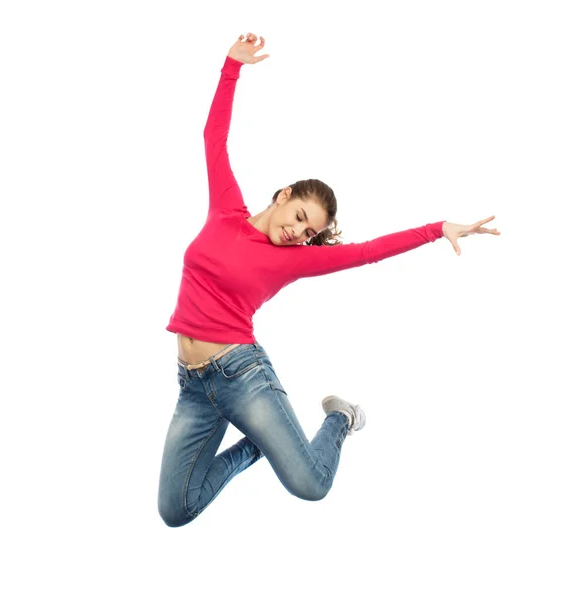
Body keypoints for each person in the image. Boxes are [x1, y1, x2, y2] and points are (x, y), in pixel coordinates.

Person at [157, 33, 500, 527]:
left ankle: (342, 418)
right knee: (176, 509)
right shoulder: (225, 210)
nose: (297, 231)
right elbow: (214, 138)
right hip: (191, 385)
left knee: (311, 484)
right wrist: (231, 67)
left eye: (308, 231)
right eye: (298, 215)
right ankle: (258, 445)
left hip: (241, 376)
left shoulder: (294, 260)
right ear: (284, 194)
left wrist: (437, 229)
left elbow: (367, 253)